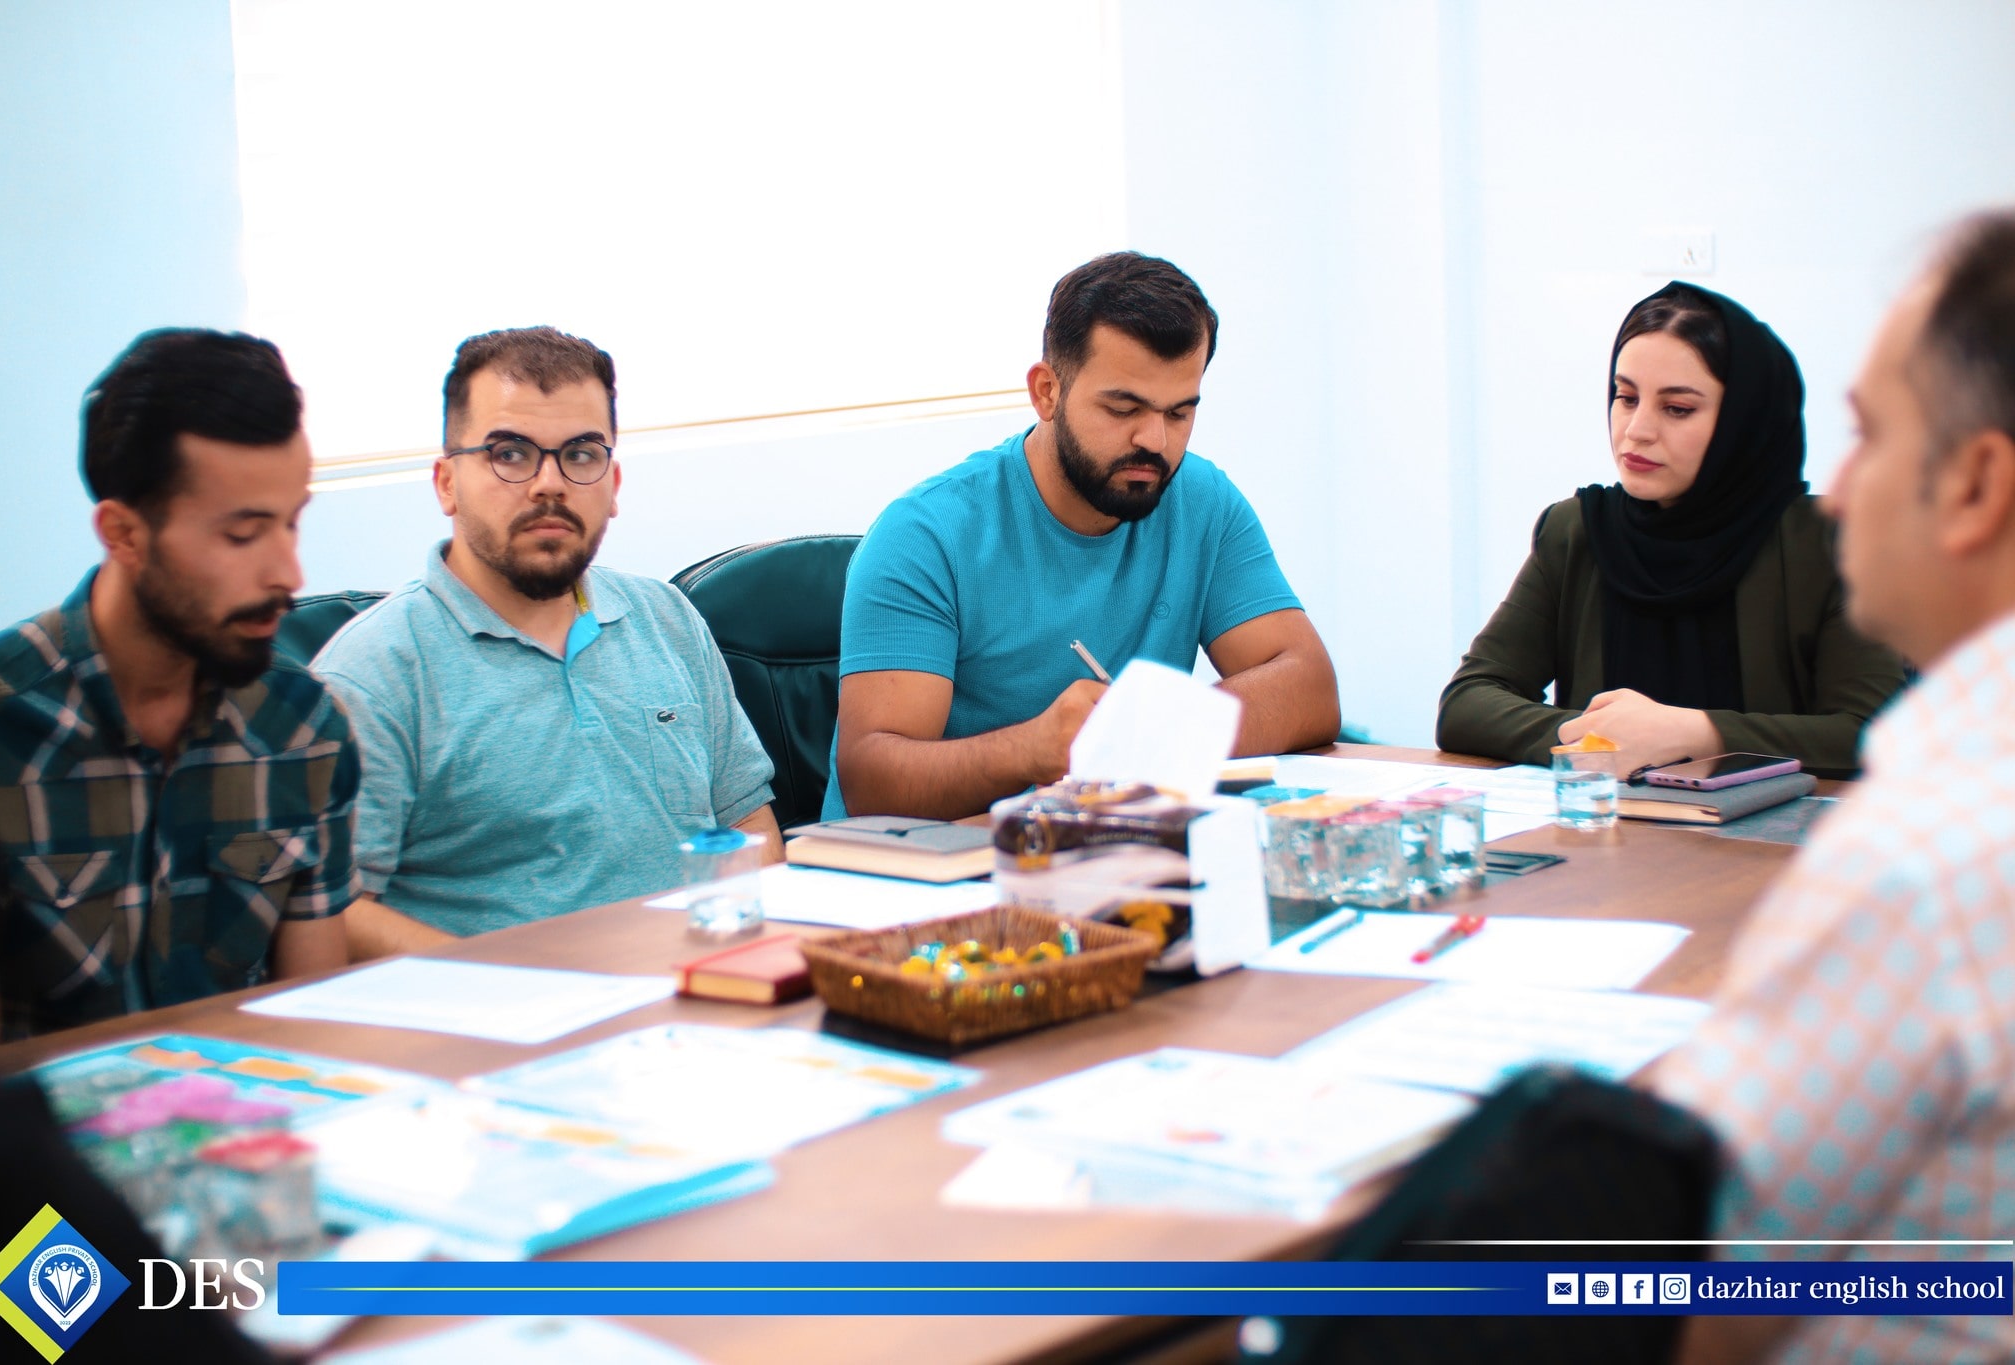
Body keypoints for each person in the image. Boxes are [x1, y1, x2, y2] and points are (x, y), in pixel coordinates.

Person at [1655, 213, 2015, 1364]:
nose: (1835, 492)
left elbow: (1682, 1292)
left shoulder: (1919, 863)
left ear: (1974, 484)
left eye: (1866, 436)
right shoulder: (1577, 527)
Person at [313, 326, 778, 956]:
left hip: (701, 987)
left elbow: (748, 826)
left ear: (614, 484)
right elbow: (334, 912)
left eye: (581, 454)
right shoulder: (374, 672)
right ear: (446, 482)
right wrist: (511, 986)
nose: (549, 484)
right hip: (497, 1008)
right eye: (510, 453)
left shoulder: (666, 619)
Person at [826, 251, 1340, 820]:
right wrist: (1031, 751)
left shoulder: (1201, 500)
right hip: (935, 864)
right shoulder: (924, 536)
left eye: (1179, 413)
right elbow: (871, 783)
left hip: (1114, 851)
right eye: (1123, 409)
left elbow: (1311, 688)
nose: (1155, 441)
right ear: (1047, 392)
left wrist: (1149, 734)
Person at [0, 330, 355, 1046]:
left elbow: (315, 1033)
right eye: (243, 534)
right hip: (46, 1120)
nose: (289, 574)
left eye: (292, 522)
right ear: (123, 534)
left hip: (251, 1106)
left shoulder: (304, 726)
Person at [1436, 282, 1905, 776]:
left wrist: (1696, 733)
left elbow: (1876, 734)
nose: (1636, 430)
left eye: (1677, 408)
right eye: (1626, 397)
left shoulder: (1827, 541)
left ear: (1744, 422)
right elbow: (1467, 703)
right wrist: (1600, 741)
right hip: (1607, 822)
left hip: (1775, 828)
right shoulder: (1577, 530)